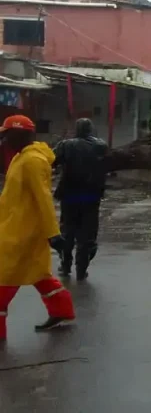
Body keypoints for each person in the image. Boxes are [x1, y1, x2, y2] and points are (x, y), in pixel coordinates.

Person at [0, 115, 76, 340]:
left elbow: (43, 199)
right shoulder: (20, 157)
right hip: (15, 228)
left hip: (22, 234)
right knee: (39, 274)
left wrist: (53, 233)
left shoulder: (33, 161)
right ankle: (62, 310)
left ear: (20, 135)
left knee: (4, 279)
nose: (3, 139)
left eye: (6, 134)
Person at [53, 118, 108, 281]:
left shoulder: (65, 145)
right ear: (91, 129)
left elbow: (52, 160)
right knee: (88, 234)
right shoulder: (101, 146)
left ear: (76, 129)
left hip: (70, 195)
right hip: (91, 196)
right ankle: (81, 270)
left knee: (67, 231)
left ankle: (65, 265)